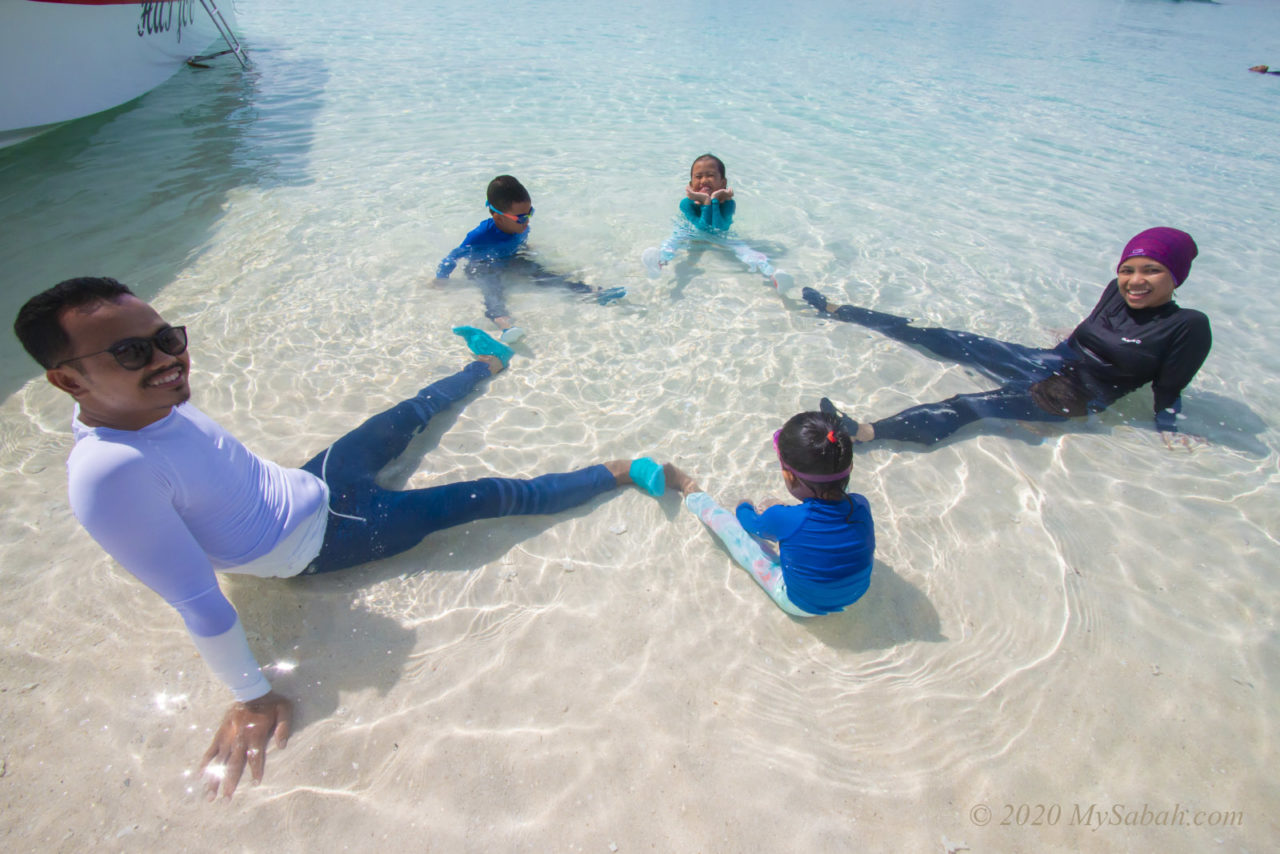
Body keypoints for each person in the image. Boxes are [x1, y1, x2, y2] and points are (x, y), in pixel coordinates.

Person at [12, 277, 670, 799]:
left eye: (167, 338)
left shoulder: (149, 400)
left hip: (313, 483)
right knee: (492, 495)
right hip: (325, 540)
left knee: (408, 414)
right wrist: (251, 696)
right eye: (133, 352)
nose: (168, 359)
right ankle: (620, 472)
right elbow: (197, 602)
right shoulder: (108, 474)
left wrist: (148, 365)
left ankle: (486, 364)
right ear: (68, 380)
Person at [803, 227, 1212, 450]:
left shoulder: (1188, 326)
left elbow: (1170, 388)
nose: (1135, 280)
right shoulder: (1114, 288)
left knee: (971, 405)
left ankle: (868, 432)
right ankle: (840, 310)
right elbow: (1094, 329)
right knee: (945, 337)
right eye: (1129, 268)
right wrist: (1070, 337)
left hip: (1076, 396)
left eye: (1152, 270)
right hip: (1047, 360)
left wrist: (1168, 428)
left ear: (1176, 275)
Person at [668, 412, 874, 617]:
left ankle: (692, 494)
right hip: (855, 594)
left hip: (803, 605)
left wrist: (745, 507)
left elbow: (749, 523)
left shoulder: (783, 518)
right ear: (850, 467)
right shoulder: (861, 504)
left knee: (739, 537)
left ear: (789, 477)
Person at [433, 175, 624, 342]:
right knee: (492, 291)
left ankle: (592, 292)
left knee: (544, 275)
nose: (527, 221)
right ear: (498, 218)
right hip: (484, 265)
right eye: (521, 217)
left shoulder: (521, 226)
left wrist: (526, 249)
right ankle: (505, 326)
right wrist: (441, 278)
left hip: (511, 259)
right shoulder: (479, 236)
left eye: (530, 213)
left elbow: (520, 242)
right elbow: (453, 256)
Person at [641, 153, 793, 291]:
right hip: (688, 233)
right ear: (691, 183)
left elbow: (721, 227)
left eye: (711, 175)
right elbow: (701, 228)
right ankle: (659, 263)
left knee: (746, 251)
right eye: (698, 177)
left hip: (720, 236)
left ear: (723, 182)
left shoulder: (728, 204)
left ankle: (774, 276)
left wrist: (712, 201)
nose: (704, 180)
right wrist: (706, 202)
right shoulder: (686, 204)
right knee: (672, 242)